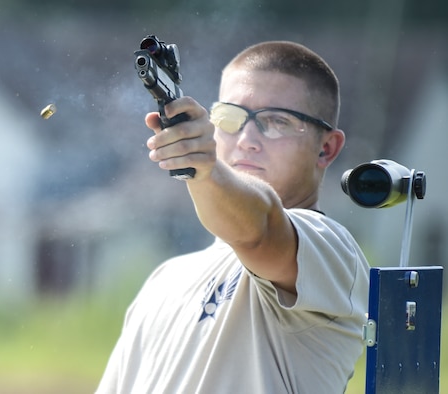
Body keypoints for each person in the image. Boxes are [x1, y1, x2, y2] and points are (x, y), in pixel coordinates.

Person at [96, 40, 370, 393]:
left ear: (326, 148)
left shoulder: (331, 250)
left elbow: (260, 229)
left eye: (277, 121)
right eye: (230, 117)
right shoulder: (165, 280)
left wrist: (205, 169)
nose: (246, 139)